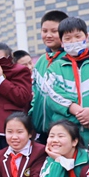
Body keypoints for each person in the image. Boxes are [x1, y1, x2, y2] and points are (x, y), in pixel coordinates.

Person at [43, 17, 89, 144]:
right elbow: (52, 94)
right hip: (68, 134)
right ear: (62, 42)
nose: (73, 41)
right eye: (68, 39)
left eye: (77, 36)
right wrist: (79, 112)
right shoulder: (55, 67)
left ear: (86, 37)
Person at [30, 10, 68, 141]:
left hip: (65, 130)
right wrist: (32, 114)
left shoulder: (69, 59)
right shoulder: (41, 60)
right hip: (41, 131)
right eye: (44, 31)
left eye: (54, 31)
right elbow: (35, 92)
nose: (48, 35)